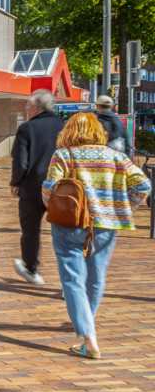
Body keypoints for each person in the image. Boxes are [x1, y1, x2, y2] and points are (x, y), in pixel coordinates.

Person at [42, 113, 150, 359]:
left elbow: (49, 189)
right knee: (96, 278)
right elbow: (144, 186)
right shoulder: (117, 157)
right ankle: (87, 333)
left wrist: (53, 208)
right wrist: (126, 206)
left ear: (68, 131)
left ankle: (89, 337)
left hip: (69, 223)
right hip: (106, 224)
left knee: (72, 279)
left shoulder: (64, 155)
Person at [10, 89, 65, 285]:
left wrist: (15, 182)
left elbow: (20, 161)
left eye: (27, 105)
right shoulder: (64, 127)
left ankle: (31, 269)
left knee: (30, 230)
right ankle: (69, 279)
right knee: (64, 232)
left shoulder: (27, 128)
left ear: (36, 107)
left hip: (32, 188)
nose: (26, 109)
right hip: (60, 189)